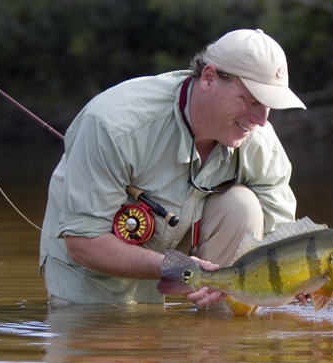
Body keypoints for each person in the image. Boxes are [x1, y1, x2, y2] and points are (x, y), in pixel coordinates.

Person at [39, 29, 306, 307]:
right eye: (251, 100)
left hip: (188, 259)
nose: (261, 120)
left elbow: (282, 240)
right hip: (92, 275)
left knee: (243, 206)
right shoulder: (113, 125)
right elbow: (84, 243)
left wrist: (304, 278)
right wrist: (180, 269)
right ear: (209, 78)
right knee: (110, 334)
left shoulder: (260, 139)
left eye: (269, 105)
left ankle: (219, 336)